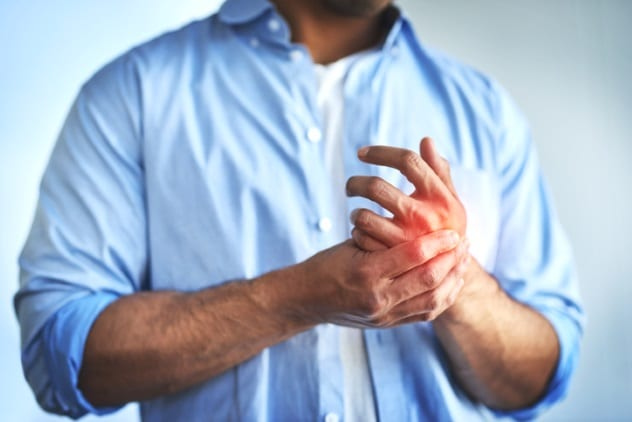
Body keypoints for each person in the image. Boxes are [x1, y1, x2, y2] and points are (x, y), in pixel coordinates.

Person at [15, 0, 584, 420]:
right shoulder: (131, 95)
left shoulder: (485, 111)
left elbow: (540, 377)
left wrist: (450, 277)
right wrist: (300, 297)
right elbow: (60, 355)